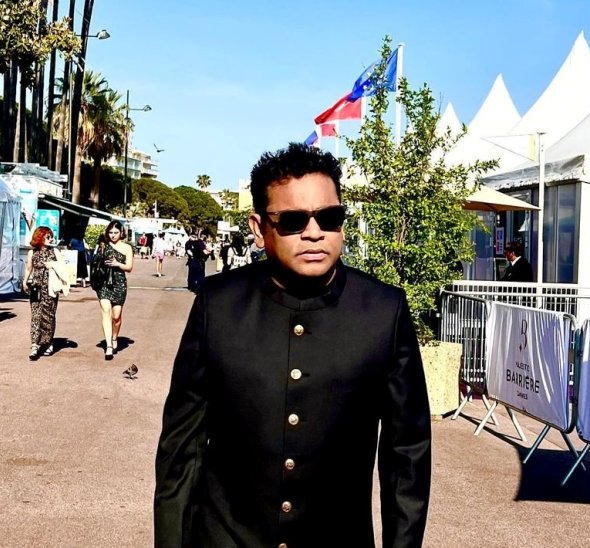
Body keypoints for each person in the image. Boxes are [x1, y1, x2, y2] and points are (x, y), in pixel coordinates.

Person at [155, 143, 431, 547]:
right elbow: (181, 452)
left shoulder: (383, 311)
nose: (314, 233)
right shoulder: (219, 305)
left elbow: (406, 458)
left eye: (329, 217)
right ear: (258, 227)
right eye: (293, 220)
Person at [23, 227, 68, 360]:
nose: (51, 239)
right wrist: (25, 281)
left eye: (51, 236)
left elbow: (63, 268)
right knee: (36, 316)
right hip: (36, 287)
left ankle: (48, 341)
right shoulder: (32, 252)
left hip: (50, 288)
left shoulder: (55, 252)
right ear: (40, 237)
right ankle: (35, 345)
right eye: (48, 237)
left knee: (49, 316)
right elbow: (29, 268)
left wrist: (52, 264)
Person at [93, 220, 134, 360]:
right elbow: (95, 262)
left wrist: (117, 264)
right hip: (103, 282)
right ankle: (109, 346)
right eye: (110, 232)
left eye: (116, 232)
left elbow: (129, 267)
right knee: (106, 311)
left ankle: (114, 337)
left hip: (119, 282)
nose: (113, 235)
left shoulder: (127, 248)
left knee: (116, 317)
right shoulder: (103, 245)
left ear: (121, 233)